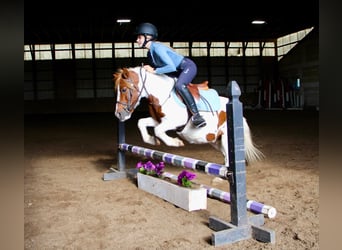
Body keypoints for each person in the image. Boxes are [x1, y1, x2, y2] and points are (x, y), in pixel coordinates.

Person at [135, 22, 206, 128]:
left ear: (148, 37)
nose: (137, 40)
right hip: (175, 72)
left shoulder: (158, 48)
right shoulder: (150, 53)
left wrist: (154, 70)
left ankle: (197, 116)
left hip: (187, 67)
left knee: (179, 85)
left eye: (139, 37)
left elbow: (171, 67)